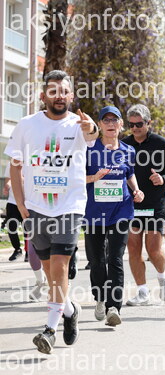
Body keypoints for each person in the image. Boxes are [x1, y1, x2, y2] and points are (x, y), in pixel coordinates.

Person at [6, 70, 99, 353]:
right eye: (54, 91)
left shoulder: (79, 125)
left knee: (60, 266)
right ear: (43, 95)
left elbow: (93, 134)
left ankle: (49, 330)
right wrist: (21, 205)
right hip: (36, 208)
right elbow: (15, 166)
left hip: (70, 206)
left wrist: (91, 127)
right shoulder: (27, 125)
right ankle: (69, 310)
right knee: (49, 272)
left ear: (71, 96)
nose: (60, 96)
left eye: (65, 91)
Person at [85, 106, 144, 327]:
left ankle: (114, 307)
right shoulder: (90, 149)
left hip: (122, 210)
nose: (110, 124)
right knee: (96, 260)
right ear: (100, 125)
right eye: (106, 120)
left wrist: (137, 190)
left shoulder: (128, 150)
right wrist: (94, 178)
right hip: (93, 212)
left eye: (114, 120)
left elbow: (130, 174)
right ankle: (100, 297)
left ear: (120, 124)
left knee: (116, 259)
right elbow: (76, 177)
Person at [122, 104, 165, 306]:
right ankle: (142, 292)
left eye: (139, 124)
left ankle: (163, 276)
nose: (135, 128)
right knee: (133, 249)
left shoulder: (160, 143)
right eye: (131, 124)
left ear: (148, 123)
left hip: (155, 204)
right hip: (132, 204)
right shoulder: (125, 144)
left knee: (153, 250)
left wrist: (163, 179)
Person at [3, 166, 46, 299]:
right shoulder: (14, 161)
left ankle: (58, 292)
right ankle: (40, 280)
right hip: (18, 203)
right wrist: (8, 185)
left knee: (52, 252)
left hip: (41, 205)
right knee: (13, 228)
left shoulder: (40, 161)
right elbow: (10, 178)